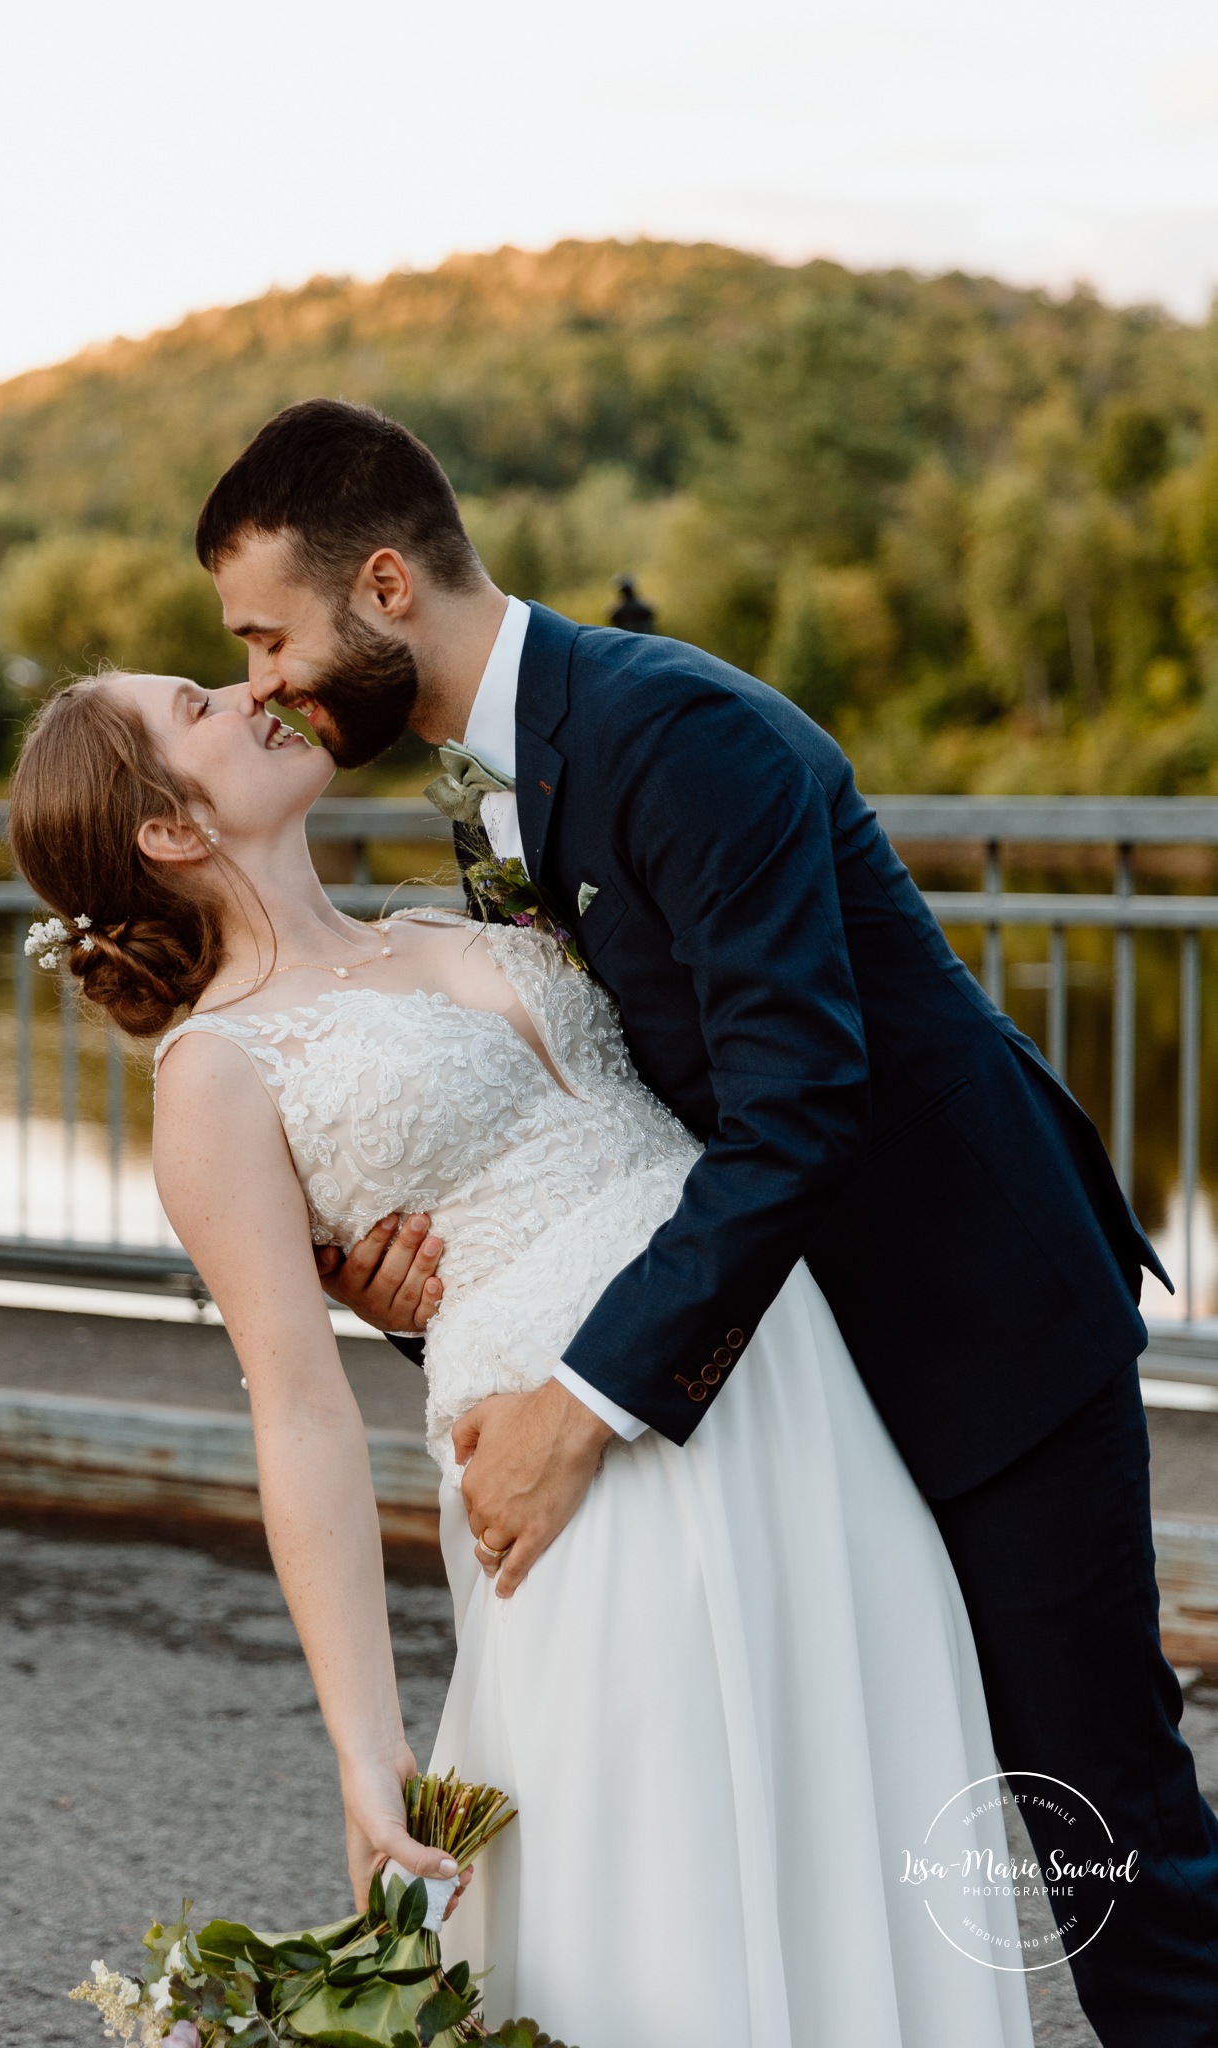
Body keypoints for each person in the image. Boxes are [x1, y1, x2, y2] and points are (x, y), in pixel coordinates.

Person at [182, 397, 1218, 2045]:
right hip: (773, 1383)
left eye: (264, 637)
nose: (260, 685)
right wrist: (442, 1280)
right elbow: (610, 1109)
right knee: (838, 1820)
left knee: (1095, 1833)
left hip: (967, 1326)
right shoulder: (496, 783)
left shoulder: (678, 731)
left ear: (383, 584)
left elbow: (800, 1101)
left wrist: (582, 1404)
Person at [10, 669, 1033, 2045]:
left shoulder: (456, 913)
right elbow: (298, 1414)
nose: (252, 692)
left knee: (851, 1810)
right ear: (169, 833)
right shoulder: (217, 1073)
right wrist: (366, 1755)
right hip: (583, 1474)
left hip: (787, 1376)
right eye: (197, 704)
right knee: (676, 1890)